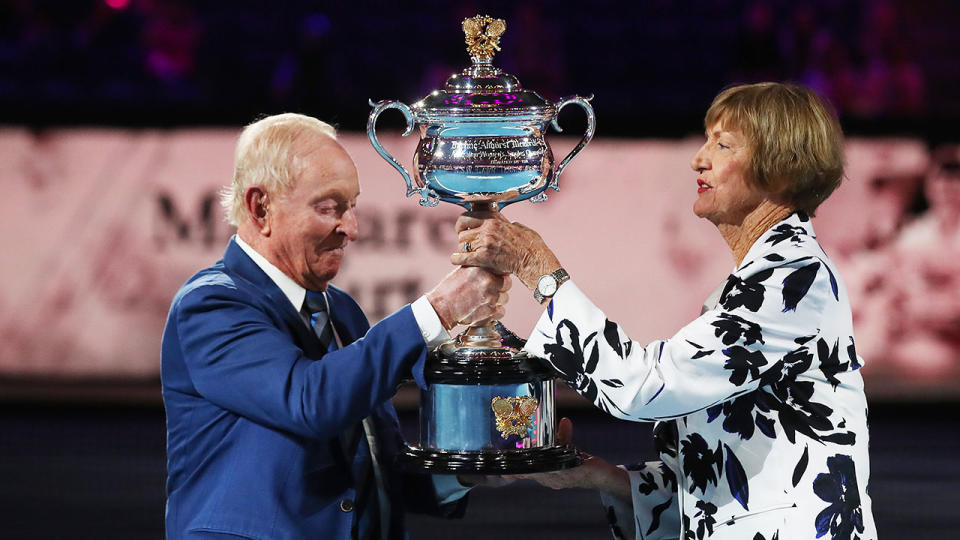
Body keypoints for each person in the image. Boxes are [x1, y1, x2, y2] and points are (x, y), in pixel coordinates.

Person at [454, 83, 876, 540]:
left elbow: (646, 387)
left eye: (722, 143)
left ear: (781, 169)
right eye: (706, 139)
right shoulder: (757, 281)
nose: (699, 159)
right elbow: (711, 482)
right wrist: (595, 475)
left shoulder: (792, 280)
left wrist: (538, 270)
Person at [161, 113, 509, 539]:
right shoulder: (212, 305)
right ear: (260, 207)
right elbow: (310, 401)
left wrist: (470, 466)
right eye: (329, 207)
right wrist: (439, 309)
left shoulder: (339, 310)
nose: (352, 228)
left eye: (353, 205)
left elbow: (372, 471)